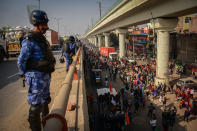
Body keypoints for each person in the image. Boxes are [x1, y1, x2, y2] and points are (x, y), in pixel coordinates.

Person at [17, 10, 56, 131]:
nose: (46, 26)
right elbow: (21, 60)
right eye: (43, 24)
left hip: (45, 76)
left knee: (45, 101)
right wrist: (22, 74)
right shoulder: (29, 40)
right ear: (36, 24)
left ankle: (47, 126)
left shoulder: (41, 39)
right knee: (35, 106)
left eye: (46, 23)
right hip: (35, 78)